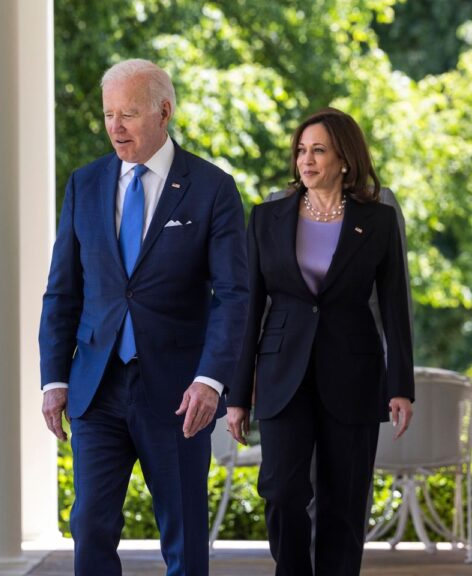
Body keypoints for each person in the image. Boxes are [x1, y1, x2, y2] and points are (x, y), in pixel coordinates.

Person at [39, 59, 249, 575]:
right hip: (97, 386)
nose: (115, 126)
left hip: (179, 394)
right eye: (110, 114)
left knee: (183, 534)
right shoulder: (84, 185)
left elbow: (234, 295)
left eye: (128, 113)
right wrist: (54, 378)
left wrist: (210, 380)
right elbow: (62, 291)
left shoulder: (211, 188)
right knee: (89, 526)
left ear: (164, 111)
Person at [226, 107, 414, 576]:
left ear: (345, 159)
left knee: (344, 503)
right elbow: (251, 309)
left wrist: (400, 386)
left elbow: (394, 307)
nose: (305, 160)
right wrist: (237, 392)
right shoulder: (267, 217)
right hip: (281, 373)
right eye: (300, 151)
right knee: (282, 492)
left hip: (353, 372)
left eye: (318, 150)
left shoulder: (379, 221)